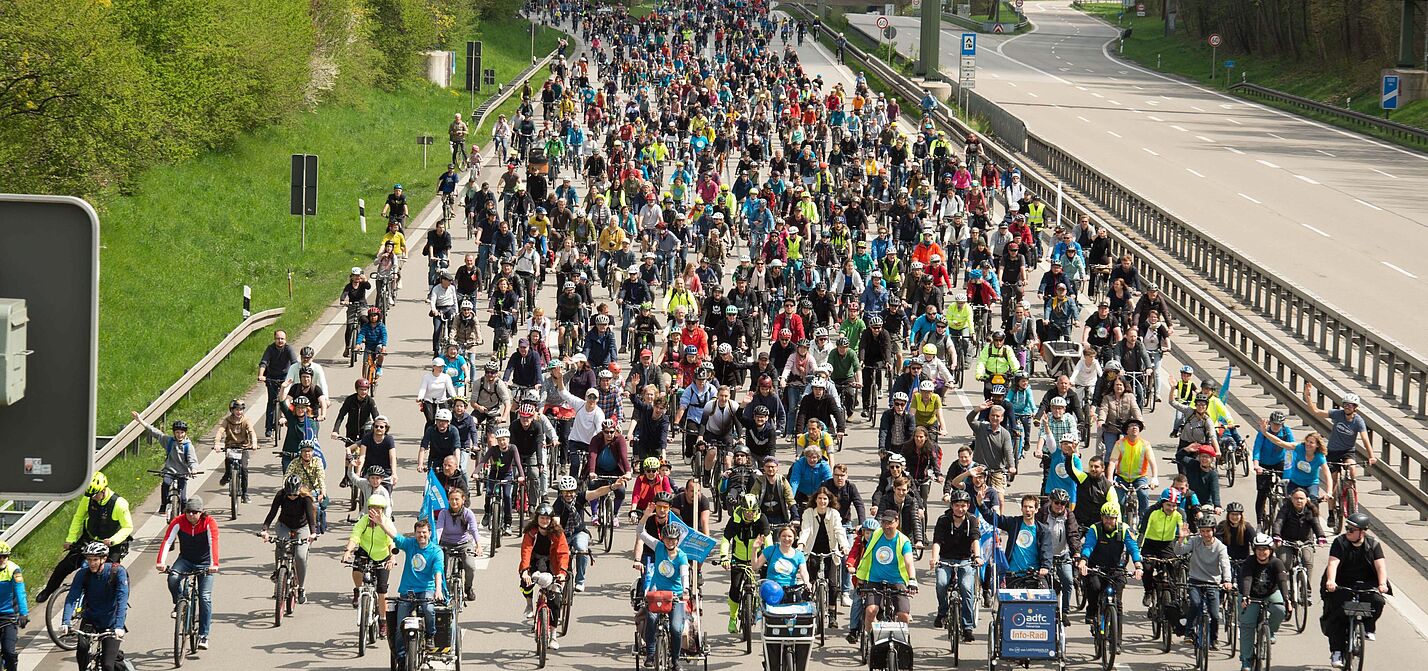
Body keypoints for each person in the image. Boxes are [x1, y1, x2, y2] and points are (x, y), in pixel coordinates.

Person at [35, 473, 133, 604]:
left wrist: (113, 540)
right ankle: (48, 590)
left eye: (95, 495)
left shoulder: (119, 504)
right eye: (91, 496)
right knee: (64, 565)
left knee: (109, 574)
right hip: (90, 538)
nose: (93, 498)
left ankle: (111, 602)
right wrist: (71, 539)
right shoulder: (88, 499)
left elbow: (127, 527)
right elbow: (78, 518)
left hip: (111, 543)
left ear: (103, 490)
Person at [374, 515, 446, 663]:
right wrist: (381, 524)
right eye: (419, 532)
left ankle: (430, 635)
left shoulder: (436, 551)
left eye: (424, 532)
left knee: (429, 609)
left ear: (430, 533)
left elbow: (438, 571)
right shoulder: (410, 544)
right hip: (407, 591)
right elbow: (396, 537)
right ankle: (400, 659)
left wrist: (438, 590)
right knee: (400, 627)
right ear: (415, 534)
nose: (422, 535)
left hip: (427, 589)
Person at [1321, 513, 1387, 668]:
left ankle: (1368, 626)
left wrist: (1382, 584)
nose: (1348, 532)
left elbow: (1380, 566)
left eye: (1351, 529)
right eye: (1347, 528)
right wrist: (1331, 581)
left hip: (1366, 584)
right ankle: (1336, 651)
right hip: (1341, 583)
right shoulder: (1340, 542)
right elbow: (1333, 564)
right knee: (1337, 614)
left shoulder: (1373, 545)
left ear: (1362, 532)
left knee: (1378, 602)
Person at [156, 497, 220, 649]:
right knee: (173, 578)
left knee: (205, 597)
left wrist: (214, 565)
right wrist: (161, 562)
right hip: (185, 560)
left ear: (201, 512)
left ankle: (204, 635)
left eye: (194, 512)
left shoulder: (209, 523)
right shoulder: (178, 521)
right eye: (188, 512)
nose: (191, 515)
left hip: (205, 563)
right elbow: (167, 541)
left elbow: (214, 543)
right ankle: (179, 603)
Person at [61, 542, 129, 671]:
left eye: (95, 560)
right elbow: (71, 598)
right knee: (82, 649)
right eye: (89, 559)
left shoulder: (118, 572)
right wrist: (66, 621)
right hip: (90, 620)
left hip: (111, 623)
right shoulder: (83, 574)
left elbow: (122, 600)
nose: (92, 563)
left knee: (108, 665)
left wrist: (119, 626)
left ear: (104, 559)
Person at [852, 509, 918, 643]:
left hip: (897, 580)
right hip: (875, 580)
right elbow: (866, 557)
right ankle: (868, 636)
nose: (886, 526)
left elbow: (909, 561)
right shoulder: (876, 535)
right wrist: (860, 579)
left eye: (890, 522)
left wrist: (912, 580)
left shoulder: (903, 541)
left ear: (897, 522)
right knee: (871, 611)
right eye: (883, 522)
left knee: (903, 615)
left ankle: (902, 641)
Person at [1077, 502, 1145, 625]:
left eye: (1112, 518)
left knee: (1118, 603)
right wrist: (1083, 561)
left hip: (1116, 568)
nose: (1108, 521)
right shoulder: (1095, 529)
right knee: (1094, 587)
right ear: (1101, 517)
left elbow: (1133, 548)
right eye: (1106, 518)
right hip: (1096, 567)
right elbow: (1088, 546)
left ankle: (1116, 641)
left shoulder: (1124, 529)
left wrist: (1138, 566)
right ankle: (1091, 611)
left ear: (1116, 518)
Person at [340, 492, 395, 636]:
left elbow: (391, 541)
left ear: (382, 510)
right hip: (365, 553)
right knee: (356, 568)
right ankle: (358, 590)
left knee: (382, 590)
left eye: (378, 508)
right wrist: (348, 551)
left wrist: (391, 558)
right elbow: (355, 536)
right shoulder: (363, 521)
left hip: (382, 556)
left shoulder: (386, 522)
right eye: (372, 508)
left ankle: (383, 621)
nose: (375, 511)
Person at [1175, 515, 1233, 649]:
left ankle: (1214, 638)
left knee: (1214, 614)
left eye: (1208, 531)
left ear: (1213, 531)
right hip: (1195, 580)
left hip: (1213, 583)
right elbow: (1179, 551)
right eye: (1203, 531)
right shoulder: (1195, 541)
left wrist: (1227, 581)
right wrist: (1182, 538)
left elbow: (1225, 565)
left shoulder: (1220, 547)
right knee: (1195, 603)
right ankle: (1189, 632)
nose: (1205, 534)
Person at [930, 489, 981, 639]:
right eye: (957, 505)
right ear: (952, 506)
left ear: (968, 506)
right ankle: (942, 612)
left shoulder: (971, 520)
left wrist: (977, 556)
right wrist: (934, 558)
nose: (960, 509)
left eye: (963, 506)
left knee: (966, 588)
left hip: (965, 560)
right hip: (945, 558)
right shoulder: (943, 520)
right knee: (941, 583)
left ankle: (967, 627)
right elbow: (937, 541)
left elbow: (975, 539)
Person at [260, 474, 319, 603]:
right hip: (284, 525)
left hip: (301, 527)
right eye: (289, 494)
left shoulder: (305, 498)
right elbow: (272, 512)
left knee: (300, 556)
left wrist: (313, 533)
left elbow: (310, 518)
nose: (292, 497)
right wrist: (265, 529)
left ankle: (301, 587)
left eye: (295, 495)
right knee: (281, 544)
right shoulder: (281, 495)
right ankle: (278, 572)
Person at [1237, 533, 1290, 671]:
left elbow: (1282, 581)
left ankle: (1270, 631)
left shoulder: (1276, 562)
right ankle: (1246, 660)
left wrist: (1287, 599)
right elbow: (1247, 579)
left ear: (1271, 550)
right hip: (1250, 596)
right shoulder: (1249, 561)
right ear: (1254, 550)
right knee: (1247, 627)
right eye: (1259, 549)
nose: (1262, 552)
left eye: (1265, 549)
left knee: (1280, 610)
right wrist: (1246, 596)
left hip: (1270, 593)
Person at [519, 504, 570, 649]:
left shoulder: (558, 533)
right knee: (525, 583)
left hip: (552, 564)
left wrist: (562, 573)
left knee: (555, 600)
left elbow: (563, 553)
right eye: (542, 518)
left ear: (551, 519)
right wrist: (525, 570)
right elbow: (526, 551)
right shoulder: (531, 532)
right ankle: (529, 605)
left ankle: (553, 635)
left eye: (547, 518)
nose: (545, 521)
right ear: (537, 518)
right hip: (534, 562)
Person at [719, 494, 771, 633]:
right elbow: (725, 540)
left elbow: (768, 539)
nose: (749, 514)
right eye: (746, 510)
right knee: (735, 588)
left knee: (767, 585)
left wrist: (770, 557)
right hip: (738, 558)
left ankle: (767, 614)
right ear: (742, 509)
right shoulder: (735, 520)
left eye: (752, 511)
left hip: (757, 559)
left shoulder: (762, 519)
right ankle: (732, 618)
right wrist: (724, 557)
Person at [797, 487, 851, 623]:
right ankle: (808, 610)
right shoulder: (808, 513)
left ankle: (832, 613)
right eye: (819, 498)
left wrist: (844, 546)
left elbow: (839, 531)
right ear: (815, 499)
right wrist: (801, 544)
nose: (822, 501)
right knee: (809, 582)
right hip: (812, 551)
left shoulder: (834, 514)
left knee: (833, 584)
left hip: (830, 552)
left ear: (829, 500)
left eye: (825, 499)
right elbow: (806, 530)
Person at [132, 413, 199, 517]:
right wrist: (141, 421)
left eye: (182, 432)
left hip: (182, 473)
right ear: (174, 433)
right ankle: (164, 504)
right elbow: (156, 433)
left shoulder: (188, 446)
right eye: (177, 432)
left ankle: (183, 517)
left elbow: (192, 460)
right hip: (169, 471)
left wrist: (193, 469)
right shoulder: (169, 441)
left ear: (185, 433)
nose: (179, 435)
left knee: (184, 499)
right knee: (166, 484)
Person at [642, 525, 690, 669]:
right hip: (657, 594)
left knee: (676, 628)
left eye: (673, 539)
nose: (670, 542)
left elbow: (684, 574)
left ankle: (675, 660)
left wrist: (686, 589)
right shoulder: (658, 547)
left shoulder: (682, 556)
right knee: (651, 618)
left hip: (675, 596)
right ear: (663, 539)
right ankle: (650, 653)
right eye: (667, 539)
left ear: (677, 540)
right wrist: (646, 515)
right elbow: (640, 532)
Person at [1038, 488, 1081, 620]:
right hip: (1046, 556)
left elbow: (1073, 533)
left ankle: (1065, 611)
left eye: (1063, 503)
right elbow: (1036, 533)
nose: (1060, 506)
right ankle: (1046, 610)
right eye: (1057, 502)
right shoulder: (1042, 513)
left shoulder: (1069, 515)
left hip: (1062, 554)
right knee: (1046, 584)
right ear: (1051, 501)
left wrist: (1076, 553)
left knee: (1068, 581)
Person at [433, 487, 481, 601]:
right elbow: (439, 529)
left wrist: (478, 545)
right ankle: (445, 592)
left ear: (463, 500)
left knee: (470, 566)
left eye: (457, 499)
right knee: (444, 572)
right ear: (448, 500)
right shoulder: (443, 513)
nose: (454, 502)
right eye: (451, 499)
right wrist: (435, 544)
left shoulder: (468, 513)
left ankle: (468, 587)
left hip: (464, 544)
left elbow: (474, 529)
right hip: (446, 544)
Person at [755, 524, 811, 604]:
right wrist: (754, 549)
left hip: (790, 589)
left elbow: (803, 571)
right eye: (783, 536)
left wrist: (807, 582)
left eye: (789, 536)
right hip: (772, 589)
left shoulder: (799, 555)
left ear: (794, 538)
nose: (786, 539)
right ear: (779, 537)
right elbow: (755, 566)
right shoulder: (771, 550)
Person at [216, 399, 258, 504]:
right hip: (231, 446)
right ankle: (227, 476)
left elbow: (252, 432)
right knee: (228, 463)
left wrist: (254, 443)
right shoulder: (227, 421)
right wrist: (217, 443)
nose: (239, 412)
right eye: (236, 409)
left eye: (241, 409)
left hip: (243, 447)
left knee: (244, 469)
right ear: (232, 410)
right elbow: (220, 431)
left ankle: (245, 493)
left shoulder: (246, 421)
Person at [258, 330, 298, 437]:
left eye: (282, 339)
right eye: (278, 339)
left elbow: (294, 363)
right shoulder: (270, 349)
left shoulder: (288, 349)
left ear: (285, 339)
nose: (280, 341)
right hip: (271, 377)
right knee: (271, 402)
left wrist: (295, 376)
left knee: (286, 400)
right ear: (274, 339)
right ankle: (269, 427)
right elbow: (264, 362)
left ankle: (288, 420)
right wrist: (261, 375)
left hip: (285, 377)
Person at [0, 540, 25, 671]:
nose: (2, 559)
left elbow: (20, 592)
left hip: (8, 616)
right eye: (0, 556)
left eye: (5, 556)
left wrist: (23, 613)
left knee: (9, 652)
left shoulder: (14, 569)